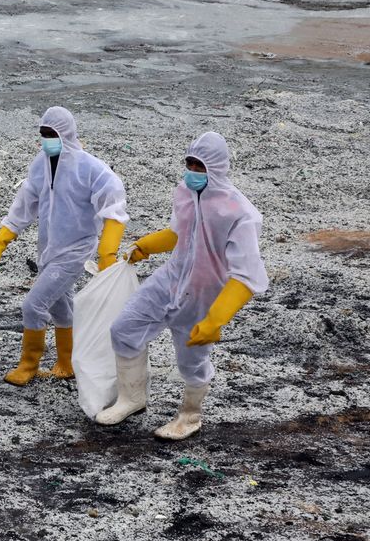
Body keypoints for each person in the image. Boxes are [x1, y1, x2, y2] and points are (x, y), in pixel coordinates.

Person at [97, 132, 268, 440]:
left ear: (215, 168)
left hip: (203, 294)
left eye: (199, 165)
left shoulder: (240, 214)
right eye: (189, 163)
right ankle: (131, 398)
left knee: (192, 360)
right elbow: (180, 233)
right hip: (170, 279)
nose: (192, 171)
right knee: (124, 328)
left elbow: (246, 275)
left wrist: (216, 318)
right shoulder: (185, 193)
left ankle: (190, 415)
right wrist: (147, 246)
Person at [0, 106, 127, 384]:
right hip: (49, 249)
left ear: (67, 134)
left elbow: (114, 201)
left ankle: (29, 364)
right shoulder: (41, 164)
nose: (47, 139)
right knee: (61, 306)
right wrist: (1, 239)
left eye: (52, 134)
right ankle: (66, 363)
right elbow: (26, 203)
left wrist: (107, 251)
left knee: (33, 305)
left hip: (75, 251)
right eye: (43, 134)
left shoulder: (89, 168)